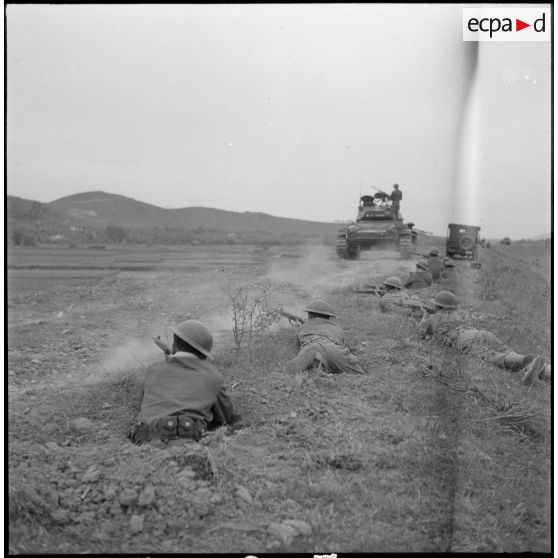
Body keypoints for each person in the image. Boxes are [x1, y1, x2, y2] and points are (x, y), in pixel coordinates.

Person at [128, 320, 236, 446]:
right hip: (187, 445)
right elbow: (225, 418)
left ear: (175, 346)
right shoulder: (214, 377)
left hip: (144, 444)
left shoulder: (153, 370)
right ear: (205, 355)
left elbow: (142, 407)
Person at [417, 291, 551, 386]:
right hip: (481, 333)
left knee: (495, 357)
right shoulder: (460, 313)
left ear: (437, 305)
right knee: (509, 353)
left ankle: (529, 360)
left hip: (463, 339)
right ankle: (547, 371)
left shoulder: (433, 318)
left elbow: (420, 335)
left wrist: (424, 316)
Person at [286, 299, 366, 374]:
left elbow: (297, 345)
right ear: (328, 316)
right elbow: (341, 343)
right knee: (358, 372)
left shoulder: (303, 327)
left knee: (306, 353)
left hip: (311, 346)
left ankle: (316, 363)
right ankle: (323, 366)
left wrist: (300, 328)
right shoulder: (337, 328)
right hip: (333, 349)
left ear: (310, 315)